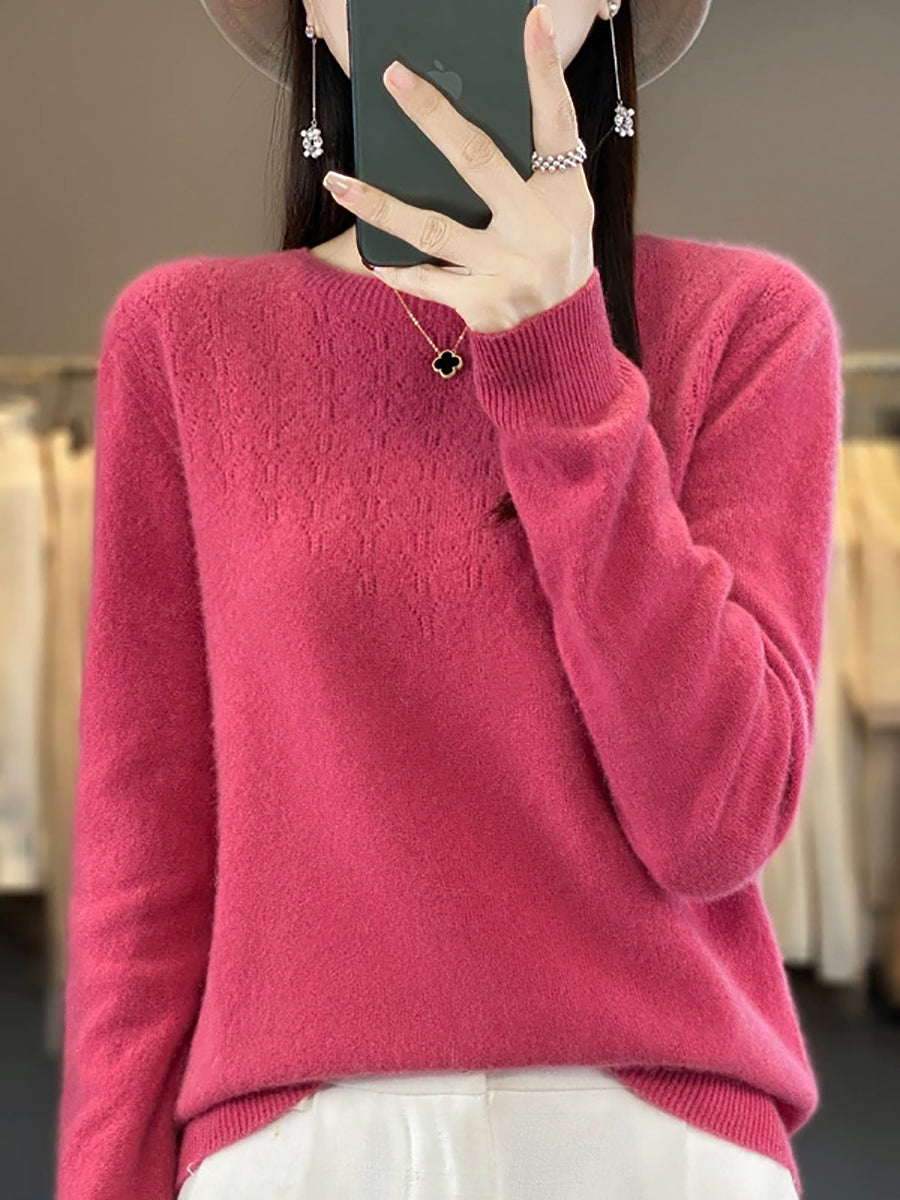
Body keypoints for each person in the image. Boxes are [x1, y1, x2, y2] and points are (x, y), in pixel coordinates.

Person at [54, 2, 845, 1198]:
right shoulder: (183, 340)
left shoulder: (746, 325)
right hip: (299, 1151)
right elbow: (143, 862)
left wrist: (562, 362)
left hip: (659, 1142)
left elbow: (716, 823)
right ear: (312, 15)